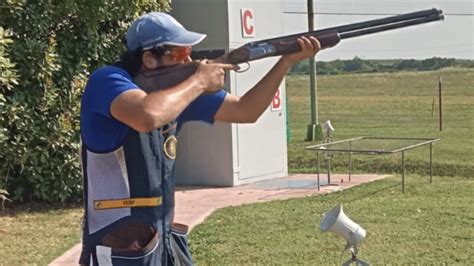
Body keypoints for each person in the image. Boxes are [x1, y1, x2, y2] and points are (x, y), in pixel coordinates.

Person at [79, 12, 320, 265]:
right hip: (117, 246)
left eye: (189, 52)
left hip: (162, 240)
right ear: (149, 58)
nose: (190, 59)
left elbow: (246, 110)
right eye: (179, 53)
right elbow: (146, 115)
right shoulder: (107, 80)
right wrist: (199, 80)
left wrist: (285, 62)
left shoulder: (177, 93)